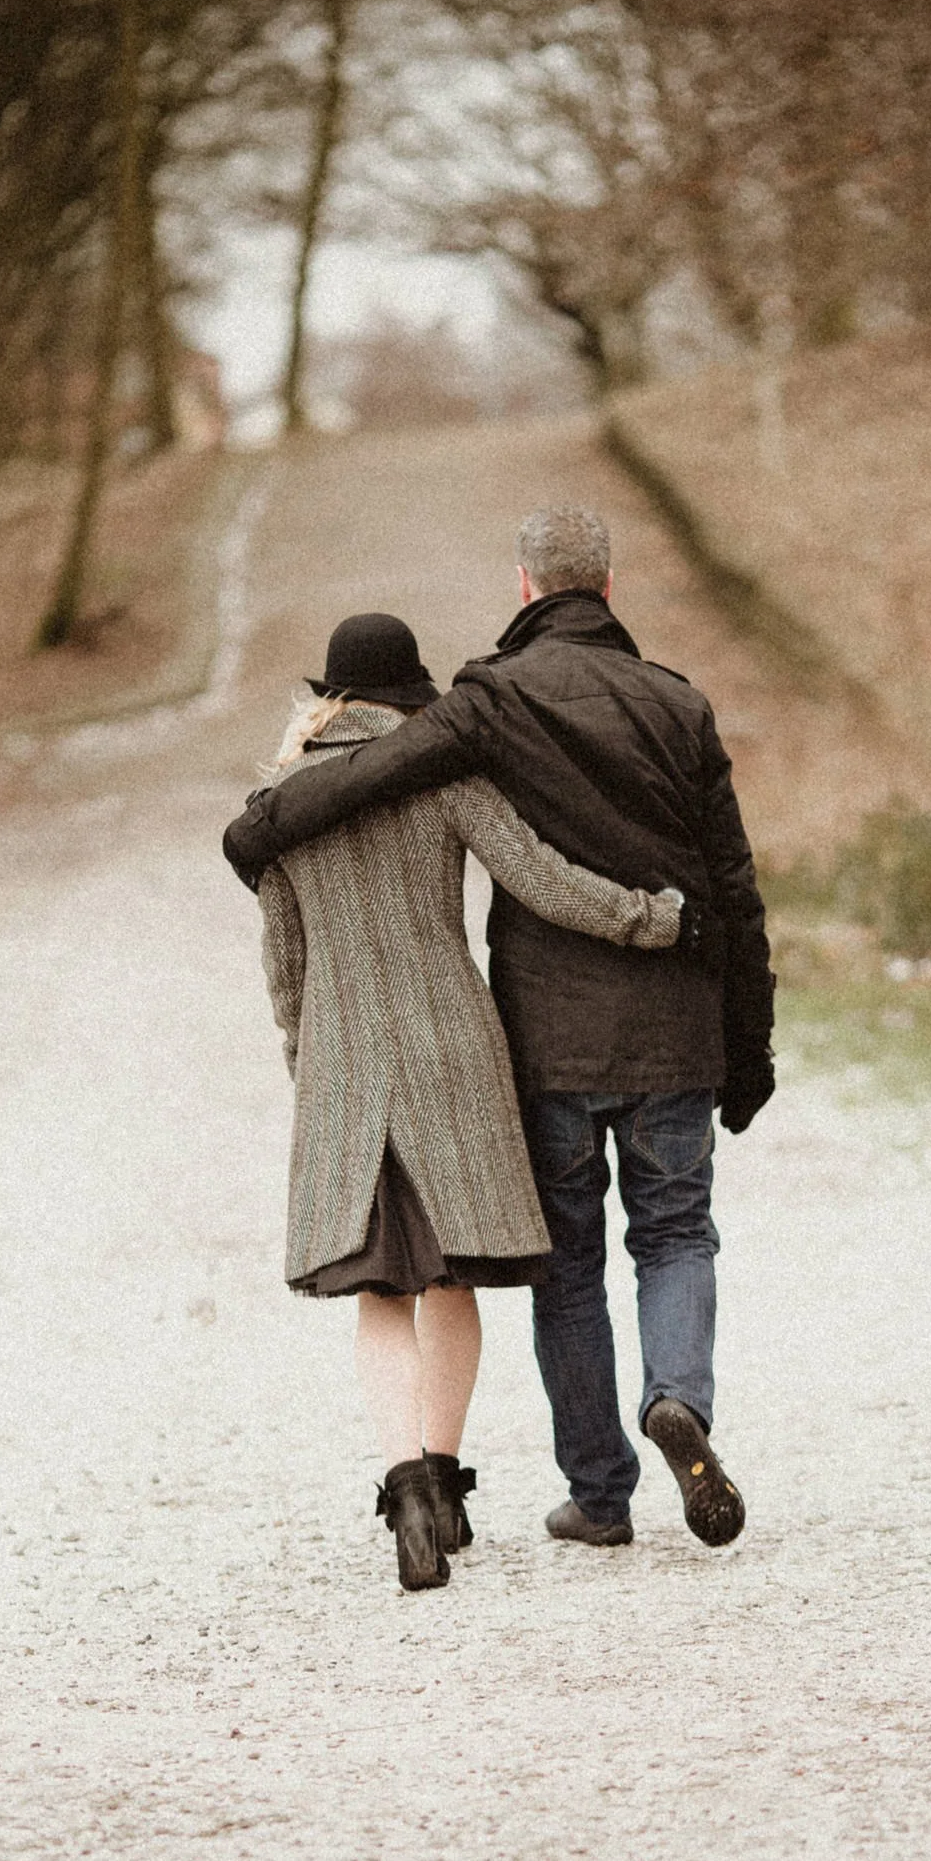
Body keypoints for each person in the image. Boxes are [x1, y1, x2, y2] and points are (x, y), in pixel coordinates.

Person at [225, 510, 775, 1553]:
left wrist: (309, 1059)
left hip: (450, 1053)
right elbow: (620, 883)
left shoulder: (367, 765)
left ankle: (509, 1494)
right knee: (576, 1254)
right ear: (607, 588)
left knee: (490, 1275)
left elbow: (293, 955)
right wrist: (684, 954)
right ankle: (610, 1423)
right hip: (565, 1042)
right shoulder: (619, 722)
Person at [249, 611, 685, 1591]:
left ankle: (403, 1484)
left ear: (329, 696)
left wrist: (302, 1057)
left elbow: (285, 964)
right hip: (453, 1048)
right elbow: (537, 877)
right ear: (410, 693)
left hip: (346, 1060)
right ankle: (444, 1488)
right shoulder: (439, 773)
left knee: (381, 1292)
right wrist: (645, 918)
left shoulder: (278, 801)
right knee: (451, 1282)